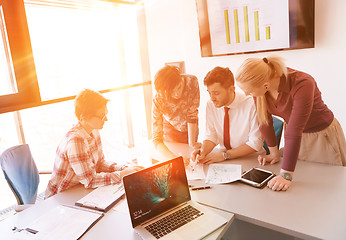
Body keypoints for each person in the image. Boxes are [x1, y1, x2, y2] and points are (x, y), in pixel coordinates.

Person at [235, 55, 346, 191]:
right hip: (296, 138)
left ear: (265, 85)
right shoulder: (261, 87)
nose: (247, 94)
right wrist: (273, 152)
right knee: (302, 189)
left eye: (249, 91)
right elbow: (264, 121)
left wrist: (286, 175)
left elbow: (294, 131)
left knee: (326, 187)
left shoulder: (303, 83)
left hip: (321, 137)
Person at [45, 89, 143, 198]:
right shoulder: (76, 141)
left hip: (79, 189)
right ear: (84, 117)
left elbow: (100, 164)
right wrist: (122, 175)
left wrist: (124, 169)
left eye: (105, 114)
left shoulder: (93, 130)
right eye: (101, 116)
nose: (106, 119)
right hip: (61, 196)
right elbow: (90, 180)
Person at [191, 66, 263, 165]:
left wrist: (224, 155)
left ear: (231, 89)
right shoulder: (211, 104)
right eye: (209, 93)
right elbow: (211, 136)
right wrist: (203, 152)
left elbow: (255, 144)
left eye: (216, 93)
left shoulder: (252, 105)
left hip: (251, 159)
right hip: (224, 160)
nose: (212, 98)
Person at [152, 65, 200, 162]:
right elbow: (156, 137)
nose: (177, 94)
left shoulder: (192, 82)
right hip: (170, 129)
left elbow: (192, 114)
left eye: (179, 87)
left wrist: (191, 144)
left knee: (192, 160)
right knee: (176, 163)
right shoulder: (159, 98)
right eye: (171, 93)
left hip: (190, 127)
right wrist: (173, 158)